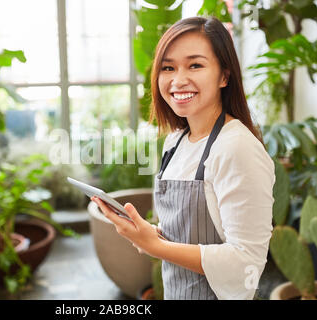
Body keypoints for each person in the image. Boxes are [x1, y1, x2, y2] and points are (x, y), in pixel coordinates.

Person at [91, 16, 275, 300]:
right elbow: (192, 232)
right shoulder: (175, 142)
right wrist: (147, 233)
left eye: (195, 65)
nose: (178, 80)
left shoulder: (237, 147)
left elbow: (246, 263)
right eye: (168, 67)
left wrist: (155, 246)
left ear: (224, 76)